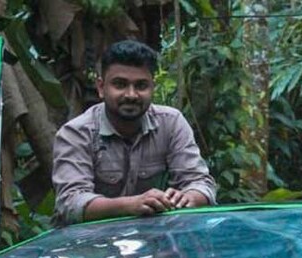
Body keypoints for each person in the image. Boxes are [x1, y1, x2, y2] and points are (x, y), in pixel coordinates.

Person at [51, 40, 217, 227]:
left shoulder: (171, 123)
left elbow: (201, 183)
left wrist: (188, 199)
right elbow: (70, 203)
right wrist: (130, 205)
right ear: (100, 87)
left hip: (154, 239)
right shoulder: (76, 133)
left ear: (152, 87)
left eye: (141, 86)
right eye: (120, 84)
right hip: (88, 244)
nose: (131, 94)